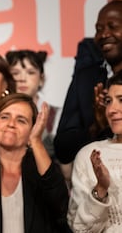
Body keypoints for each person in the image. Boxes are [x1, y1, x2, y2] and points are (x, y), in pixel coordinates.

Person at [54, 0, 122, 167]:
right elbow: (62, 149)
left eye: (113, 26)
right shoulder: (86, 79)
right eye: (99, 29)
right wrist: (97, 128)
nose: (103, 35)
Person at [0, 93, 70, 233]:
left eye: (21, 120)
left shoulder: (42, 169)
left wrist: (36, 141)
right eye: (5, 117)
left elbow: (60, 207)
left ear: (33, 130)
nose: (11, 124)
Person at [68, 70, 122, 232]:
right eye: (108, 101)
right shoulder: (89, 154)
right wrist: (101, 188)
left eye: (121, 100)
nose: (111, 109)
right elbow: (79, 229)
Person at [6, 50, 61, 160]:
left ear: (41, 79)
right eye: (15, 73)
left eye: (30, 72)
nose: (22, 79)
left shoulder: (56, 114)